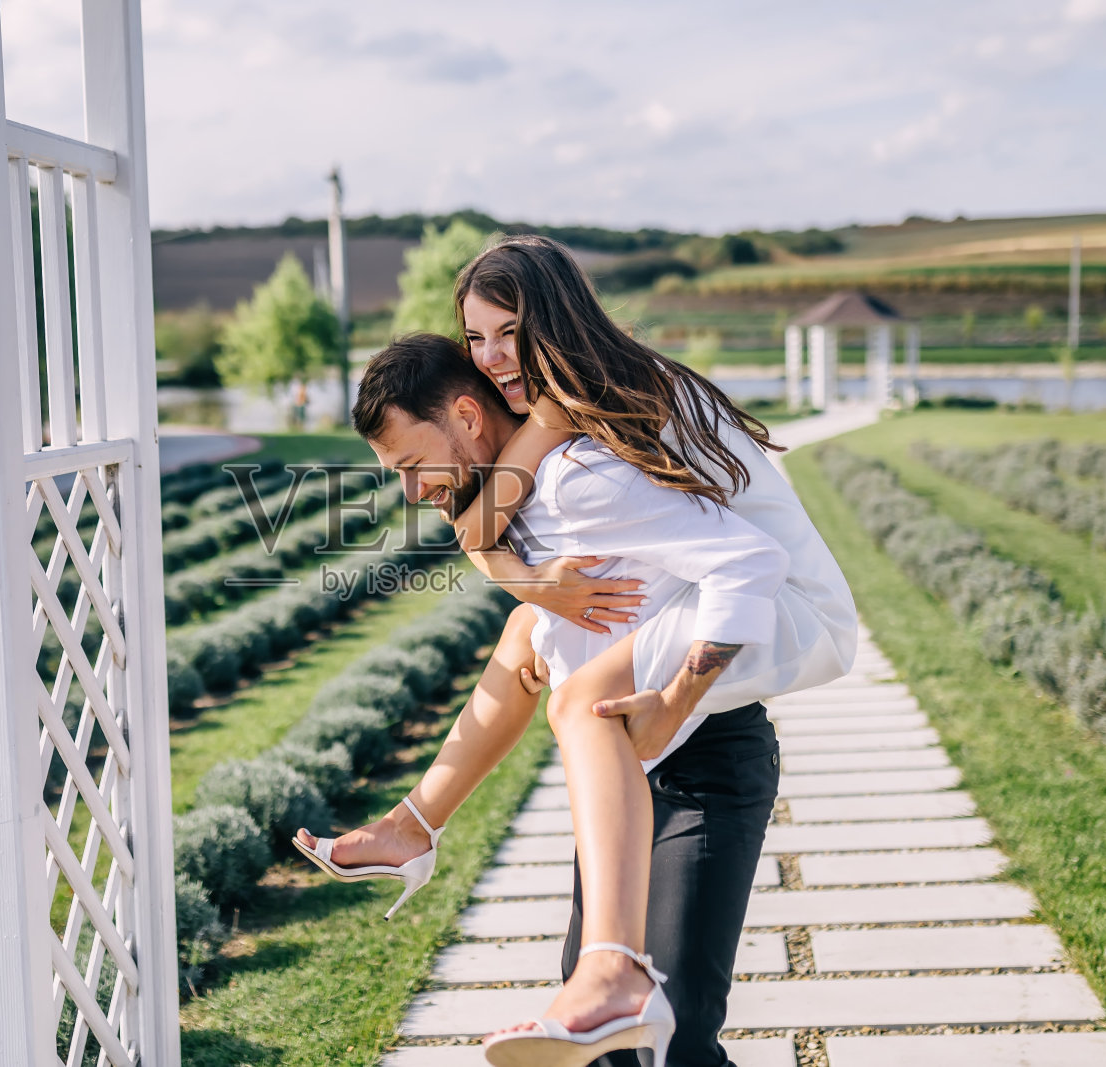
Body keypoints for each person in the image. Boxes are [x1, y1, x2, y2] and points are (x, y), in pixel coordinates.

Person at [296, 237, 856, 1067]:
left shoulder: (599, 434)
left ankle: (608, 966)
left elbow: (746, 560)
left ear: (552, 323)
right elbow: (477, 529)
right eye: (475, 337)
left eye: (507, 332)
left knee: (577, 703)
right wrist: (529, 581)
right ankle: (419, 826)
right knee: (529, 638)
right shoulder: (553, 432)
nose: (490, 356)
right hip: (665, 734)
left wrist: (675, 694)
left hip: (778, 621)